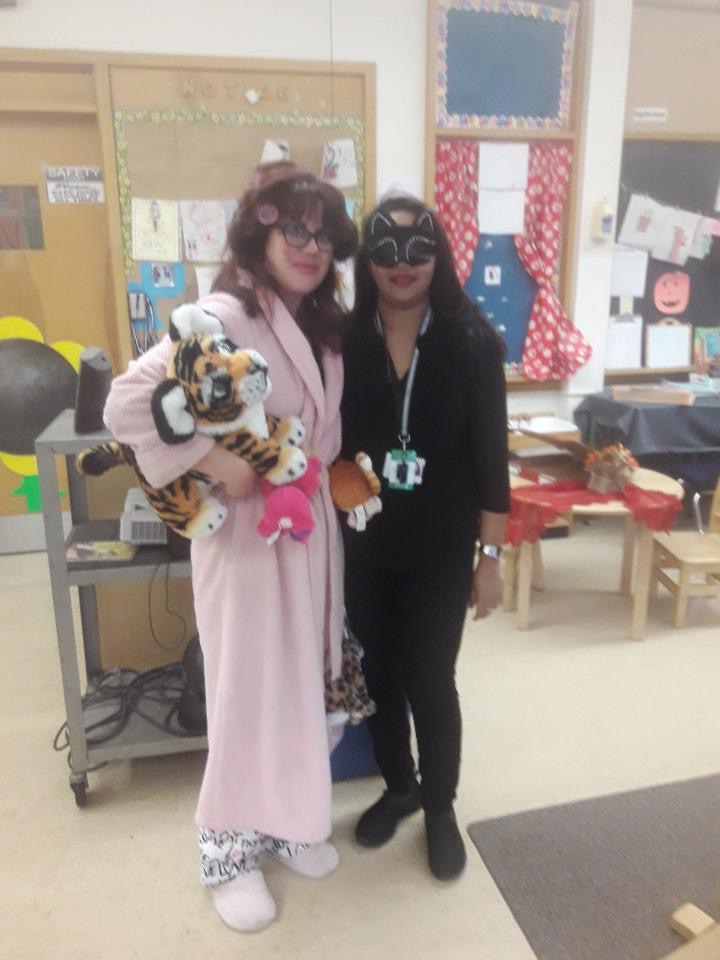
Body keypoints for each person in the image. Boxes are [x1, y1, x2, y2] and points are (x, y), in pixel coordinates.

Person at [103, 162, 357, 932]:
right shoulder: (221, 314)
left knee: (302, 685)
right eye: (295, 230)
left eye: (323, 234)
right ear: (261, 231)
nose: (310, 247)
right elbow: (124, 406)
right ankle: (226, 853)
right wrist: (214, 463)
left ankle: (286, 823)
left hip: (306, 533)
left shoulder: (319, 324)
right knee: (248, 694)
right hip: (245, 545)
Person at [340, 195, 510, 881]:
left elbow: (493, 464)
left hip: (442, 550)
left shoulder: (472, 341)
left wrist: (490, 558)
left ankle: (439, 805)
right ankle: (400, 786)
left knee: (430, 679)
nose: (402, 265)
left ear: (439, 256)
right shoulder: (343, 341)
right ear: (368, 260)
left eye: (418, 250)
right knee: (379, 677)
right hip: (365, 549)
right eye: (386, 250)